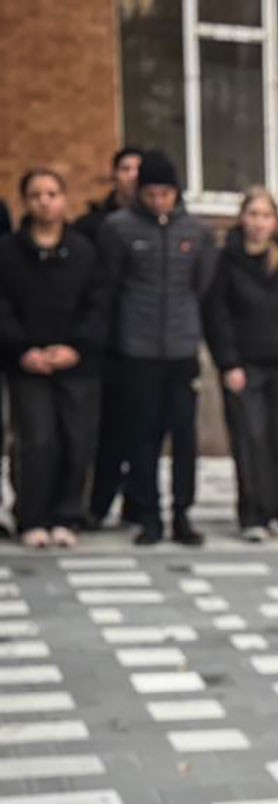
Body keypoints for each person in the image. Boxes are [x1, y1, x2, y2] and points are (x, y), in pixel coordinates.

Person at [98, 149, 216, 547]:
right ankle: (148, 515)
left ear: (176, 193)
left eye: (165, 193)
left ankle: (182, 512)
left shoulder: (196, 233)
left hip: (181, 348)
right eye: (151, 193)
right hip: (138, 348)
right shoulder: (118, 229)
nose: (158, 201)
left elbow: (201, 287)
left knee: (184, 436)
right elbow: (112, 286)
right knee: (143, 435)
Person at [0, 169, 109, 549]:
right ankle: (31, 516)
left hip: (76, 365)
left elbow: (98, 306)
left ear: (64, 200)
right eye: (35, 194)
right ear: (25, 202)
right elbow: (3, 307)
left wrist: (75, 347)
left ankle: (67, 516)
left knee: (76, 440)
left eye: (51, 193)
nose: (44, 201)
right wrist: (22, 349)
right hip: (27, 363)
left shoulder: (84, 252)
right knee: (36, 440)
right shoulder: (9, 253)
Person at [203, 187, 278, 542]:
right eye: (253, 214)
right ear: (242, 218)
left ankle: (276, 511)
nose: (259, 223)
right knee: (250, 438)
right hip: (244, 365)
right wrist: (228, 363)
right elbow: (217, 314)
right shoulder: (226, 260)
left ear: (276, 222)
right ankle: (252, 515)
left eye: (266, 216)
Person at [78, 147, 141, 531]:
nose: (132, 175)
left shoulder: (161, 224)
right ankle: (95, 504)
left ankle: (136, 504)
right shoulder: (92, 226)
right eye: (124, 168)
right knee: (103, 430)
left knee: (141, 429)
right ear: (113, 174)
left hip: (145, 342)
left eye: (138, 169)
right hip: (101, 342)